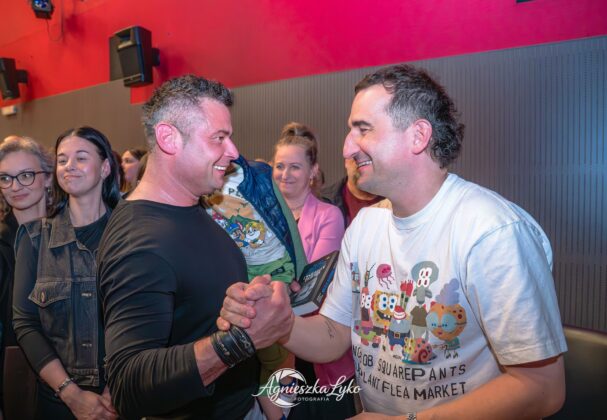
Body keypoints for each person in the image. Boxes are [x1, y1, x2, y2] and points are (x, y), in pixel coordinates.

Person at [219, 64, 567, 419]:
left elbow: (541, 388)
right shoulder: (365, 226)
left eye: (363, 129)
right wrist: (278, 322)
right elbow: (333, 334)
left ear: (418, 136)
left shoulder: (492, 232)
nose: (347, 147)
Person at [96, 74, 293, 419]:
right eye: (219, 138)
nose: (233, 152)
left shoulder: (191, 205)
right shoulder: (139, 242)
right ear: (169, 138)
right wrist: (242, 341)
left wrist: (249, 301)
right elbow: (129, 386)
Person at [13, 127, 121, 419]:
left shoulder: (132, 234)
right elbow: (25, 323)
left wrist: (114, 391)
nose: (69, 166)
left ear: (105, 168)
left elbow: (148, 316)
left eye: (81, 158)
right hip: (58, 401)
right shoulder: (34, 238)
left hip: (124, 396)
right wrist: (71, 394)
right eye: (62, 160)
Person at [272, 122, 356, 419]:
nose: (285, 174)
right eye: (279, 166)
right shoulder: (260, 218)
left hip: (314, 343)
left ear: (312, 172)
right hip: (270, 348)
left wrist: (268, 285)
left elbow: (311, 284)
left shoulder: (328, 215)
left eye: (295, 167)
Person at [0, 135, 52, 418]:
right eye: (5, 178)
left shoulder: (72, 235)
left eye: (26, 175)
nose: (15, 186)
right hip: (17, 370)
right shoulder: (3, 243)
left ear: (48, 178)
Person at [321, 158, 384, 227]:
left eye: (369, 158)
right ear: (346, 161)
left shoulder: (392, 201)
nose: (362, 161)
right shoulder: (323, 201)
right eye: (356, 156)